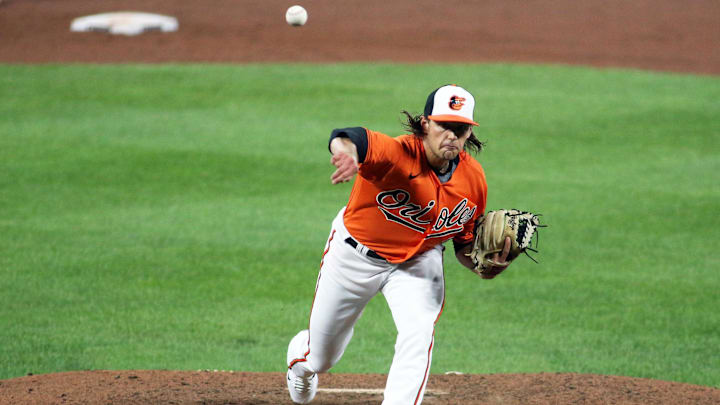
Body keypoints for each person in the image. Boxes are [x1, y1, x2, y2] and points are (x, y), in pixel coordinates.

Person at [286, 84, 513, 405]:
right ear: (425, 124)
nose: (451, 135)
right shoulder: (395, 154)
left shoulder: (473, 180)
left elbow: (464, 243)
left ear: (468, 135)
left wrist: (483, 264)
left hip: (419, 261)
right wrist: (347, 153)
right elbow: (348, 136)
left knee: (418, 333)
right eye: (444, 125)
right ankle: (301, 363)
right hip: (354, 256)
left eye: (459, 129)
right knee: (322, 358)